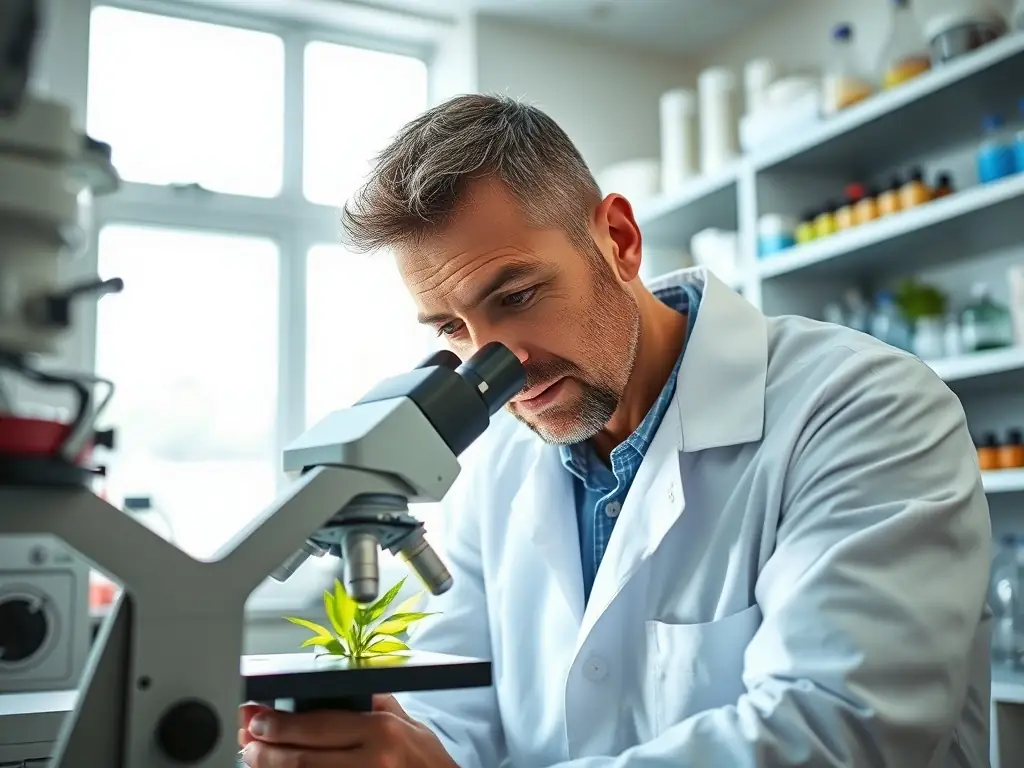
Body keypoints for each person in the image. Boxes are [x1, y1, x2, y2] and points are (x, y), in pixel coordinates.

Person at [238, 94, 992, 767]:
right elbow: (461, 718)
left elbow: (835, 731)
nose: (496, 365)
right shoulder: (498, 469)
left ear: (620, 240)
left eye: (516, 295)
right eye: (451, 329)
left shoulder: (864, 407)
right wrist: (396, 747)